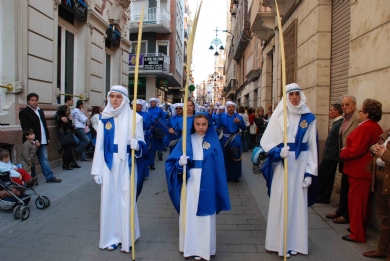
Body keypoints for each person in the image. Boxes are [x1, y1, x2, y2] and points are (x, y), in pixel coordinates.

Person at [260, 83, 318, 257]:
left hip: (301, 165)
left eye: (297, 94)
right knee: (280, 201)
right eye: (291, 94)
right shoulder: (280, 115)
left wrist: (310, 172)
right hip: (283, 166)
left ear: (301, 96)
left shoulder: (309, 118)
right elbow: (267, 141)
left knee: (297, 204)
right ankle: (277, 242)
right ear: (286, 97)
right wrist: (278, 151)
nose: (294, 97)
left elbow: (313, 147)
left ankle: (295, 243)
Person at [165, 112, 231, 261]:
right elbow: (171, 163)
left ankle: (204, 248)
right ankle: (190, 247)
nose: (201, 128)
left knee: (205, 216)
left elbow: (218, 167)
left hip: (208, 182)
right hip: (190, 182)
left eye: (204, 124)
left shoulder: (213, 142)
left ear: (209, 125)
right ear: (192, 125)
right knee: (190, 212)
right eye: (197, 124)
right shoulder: (186, 140)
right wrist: (180, 163)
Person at [91, 85, 146, 253]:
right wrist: (97, 170)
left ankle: (126, 237)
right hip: (108, 164)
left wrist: (137, 146)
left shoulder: (135, 119)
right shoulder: (104, 118)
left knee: (126, 200)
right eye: (112, 96)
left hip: (126, 164)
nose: (114, 100)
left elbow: (142, 145)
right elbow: (99, 145)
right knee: (109, 200)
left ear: (125, 99)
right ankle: (111, 237)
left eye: (118, 97)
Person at [339, 99, 383, 243]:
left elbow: (356, 150)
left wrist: (343, 152)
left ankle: (357, 234)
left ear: (368, 113)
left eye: (362, 110)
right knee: (363, 203)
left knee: (357, 204)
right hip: (365, 170)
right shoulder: (374, 126)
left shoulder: (365, 127)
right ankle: (358, 229)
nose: (359, 112)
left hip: (360, 170)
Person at [326, 95, 360, 224]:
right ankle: (341, 211)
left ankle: (346, 214)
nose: (345, 107)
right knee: (344, 186)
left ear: (354, 104)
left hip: (352, 158)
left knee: (349, 189)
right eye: (343, 105)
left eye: (348, 104)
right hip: (344, 158)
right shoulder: (345, 119)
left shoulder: (357, 118)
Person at [19, 93, 62, 183]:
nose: (35, 102)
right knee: (31, 161)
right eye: (32, 100)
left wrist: (47, 137)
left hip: (42, 140)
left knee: (44, 159)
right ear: (28, 101)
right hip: (31, 142)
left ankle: (49, 177)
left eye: (36, 100)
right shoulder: (24, 112)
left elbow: (44, 125)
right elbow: (26, 129)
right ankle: (33, 179)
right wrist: (34, 141)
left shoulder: (40, 110)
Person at [364, 127, 390, 260]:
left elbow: (385, 153)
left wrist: (384, 154)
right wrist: (373, 148)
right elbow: (375, 147)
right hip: (381, 181)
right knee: (385, 219)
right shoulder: (387, 133)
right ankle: (382, 250)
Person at [317, 103, 344, 204]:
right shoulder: (337, 123)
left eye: (331, 110)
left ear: (337, 111)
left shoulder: (339, 123)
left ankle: (322, 196)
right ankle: (324, 197)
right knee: (328, 176)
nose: (329, 112)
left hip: (332, 155)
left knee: (323, 175)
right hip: (330, 154)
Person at [216, 101, 247, 182]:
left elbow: (244, 128)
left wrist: (239, 122)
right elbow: (218, 128)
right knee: (225, 158)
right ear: (227, 108)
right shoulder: (223, 117)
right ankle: (226, 175)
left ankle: (235, 176)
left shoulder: (239, 117)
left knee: (236, 158)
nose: (231, 108)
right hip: (225, 139)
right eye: (229, 107)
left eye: (232, 107)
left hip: (235, 138)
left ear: (234, 108)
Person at [56, 105, 76, 170]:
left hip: (64, 136)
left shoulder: (61, 117)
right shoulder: (64, 118)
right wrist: (69, 121)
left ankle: (68, 164)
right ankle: (66, 165)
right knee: (67, 151)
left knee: (67, 150)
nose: (68, 111)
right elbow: (70, 127)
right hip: (66, 136)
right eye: (67, 110)